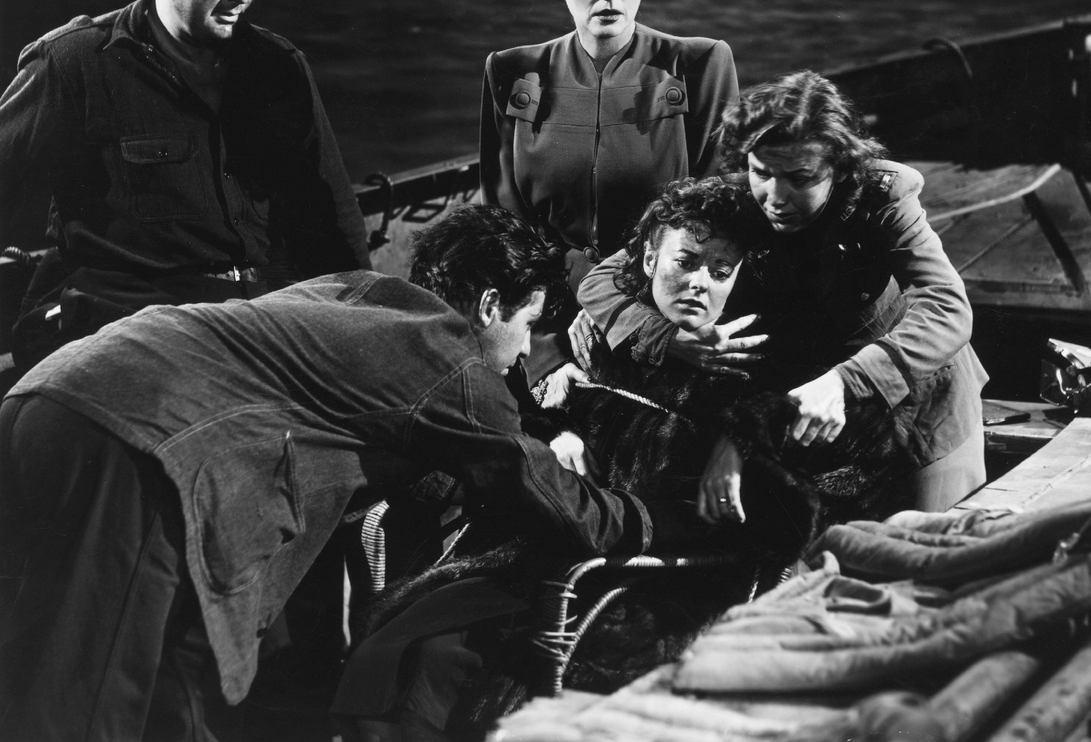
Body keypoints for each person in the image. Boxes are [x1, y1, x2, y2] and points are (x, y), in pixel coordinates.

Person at [0, 204, 653, 742]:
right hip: (137, 445)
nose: (524, 352)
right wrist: (649, 516)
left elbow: (394, 446)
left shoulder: (359, 294)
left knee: (169, 685)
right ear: (488, 305)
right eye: (529, 325)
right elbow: (548, 494)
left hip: (47, 395)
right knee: (87, 698)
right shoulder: (452, 359)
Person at [332, 178, 889, 742]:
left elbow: (783, 515)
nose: (700, 282)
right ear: (649, 259)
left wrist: (744, 439)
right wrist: (560, 434)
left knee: (460, 666)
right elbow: (524, 422)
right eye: (686, 261)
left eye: (721, 271)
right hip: (558, 545)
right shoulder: (606, 342)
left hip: (650, 581)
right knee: (406, 649)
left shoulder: (757, 370)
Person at [0, 0, 370, 372]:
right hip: (133, 329)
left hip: (261, 320)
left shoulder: (280, 67)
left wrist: (360, 327)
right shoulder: (73, 64)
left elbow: (333, 220)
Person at [578, 70, 990, 515]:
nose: (775, 196)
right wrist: (666, 337)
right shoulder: (736, 197)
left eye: (800, 177)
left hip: (915, 402)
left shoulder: (883, 198)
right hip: (803, 408)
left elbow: (948, 306)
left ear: (839, 168)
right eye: (761, 172)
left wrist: (846, 381)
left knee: (930, 538)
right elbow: (602, 280)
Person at [479, 0, 739, 382]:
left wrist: (621, 317)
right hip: (545, 332)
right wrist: (547, 358)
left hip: (666, 328)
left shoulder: (700, 65)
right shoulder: (510, 73)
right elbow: (504, 230)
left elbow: (713, 221)